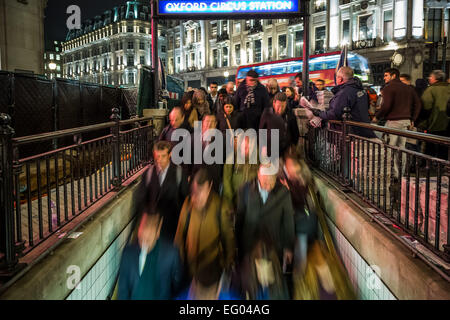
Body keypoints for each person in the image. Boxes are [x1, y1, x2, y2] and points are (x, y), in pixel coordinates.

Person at [174, 169, 236, 282]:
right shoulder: (187, 205)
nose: (196, 196)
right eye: (194, 191)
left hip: (213, 272)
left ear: (209, 186)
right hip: (191, 270)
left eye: (201, 190)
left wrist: (226, 265)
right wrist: (180, 263)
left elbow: (229, 240)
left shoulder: (221, 207)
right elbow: (179, 237)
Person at [235, 163, 296, 268]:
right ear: (259, 175)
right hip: (249, 246)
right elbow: (240, 218)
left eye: (271, 183)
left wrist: (288, 247)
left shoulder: (283, 192)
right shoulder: (244, 190)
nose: (268, 187)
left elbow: (288, 221)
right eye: (265, 183)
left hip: (273, 247)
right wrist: (236, 245)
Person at [117, 208, 183, 300]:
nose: (144, 242)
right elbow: (123, 291)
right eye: (142, 237)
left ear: (158, 232)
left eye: (148, 239)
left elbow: (178, 286)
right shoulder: (128, 254)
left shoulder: (171, 253)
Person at [134, 141, 189, 242]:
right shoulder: (149, 173)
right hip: (152, 229)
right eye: (157, 156)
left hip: (172, 227)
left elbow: (185, 199)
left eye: (163, 156)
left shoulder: (179, 173)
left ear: (170, 155)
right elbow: (141, 200)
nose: (159, 160)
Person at [305, 66, 377, 139]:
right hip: (363, 130)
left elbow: (335, 113)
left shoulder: (344, 93)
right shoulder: (361, 90)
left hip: (350, 133)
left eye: (336, 77)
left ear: (340, 79)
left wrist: (319, 113)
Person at [374, 68, 422, 177]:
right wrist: (412, 119)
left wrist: (377, 117)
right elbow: (418, 104)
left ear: (393, 75)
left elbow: (386, 106)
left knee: (390, 149)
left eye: (386, 75)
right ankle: (401, 172)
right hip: (405, 122)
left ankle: (394, 174)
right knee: (402, 148)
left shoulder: (389, 88)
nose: (384, 78)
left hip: (393, 123)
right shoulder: (409, 88)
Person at [279, 152, 318, 273]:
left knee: (301, 258)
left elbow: (300, 202)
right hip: (296, 222)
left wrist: (287, 190)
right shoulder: (290, 180)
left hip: (301, 224)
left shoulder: (303, 182)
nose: (286, 168)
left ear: (295, 166)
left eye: (288, 165)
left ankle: (299, 277)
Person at [239, 231, 289, 300]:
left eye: (268, 273)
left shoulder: (280, 284)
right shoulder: (247, 281)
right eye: (261, 273)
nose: (265, 280)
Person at [222, 132, 259, 206]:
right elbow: (226, 181)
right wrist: (230, 201)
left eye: (248, 146)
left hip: (254, 202)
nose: (246, 149)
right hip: (236, 200)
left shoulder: (259, 158)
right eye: (244, 146)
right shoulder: (232, 159)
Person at [420, 70, 450, 159]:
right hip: (447, 123)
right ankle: (442, 165)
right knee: (444, 146)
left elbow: (426, 106)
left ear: (436, 79)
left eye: (431, 77)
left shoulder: (431, 89)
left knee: (430, 146)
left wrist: (423, 121)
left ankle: (428, 164)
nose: (429, 78)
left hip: (434, 122)